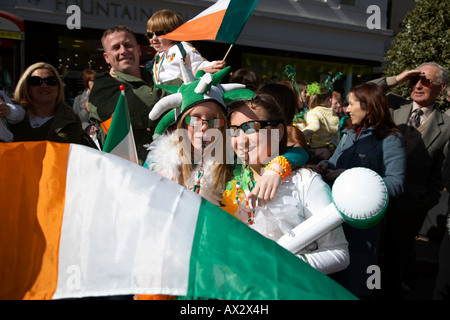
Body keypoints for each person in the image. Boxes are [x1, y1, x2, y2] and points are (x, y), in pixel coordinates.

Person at [225, 94, 350, 275]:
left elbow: (339, 254)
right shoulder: (230, 182)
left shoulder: (306, 182)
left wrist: (280, 265)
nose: (241, 139)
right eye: (234, 130)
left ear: (279, 132)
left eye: (251, 128)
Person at [314, 82, 407, 298]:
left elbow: (396, 184)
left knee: (361, 287)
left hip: (363, 234)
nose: (346, 108)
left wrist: (349, 176)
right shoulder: (347, 133)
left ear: (369, 106)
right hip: (333, 226)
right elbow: (336, 162)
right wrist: (326, 167)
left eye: (351, 104)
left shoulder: (391, 139)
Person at [370, 62, 450, 299]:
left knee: (396, 261)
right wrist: (398, 77)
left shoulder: (446, 127)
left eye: (425, 81)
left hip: (410, 206)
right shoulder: (394, 104)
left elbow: (441, 172)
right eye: (414, 79)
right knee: (368, 253)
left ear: (441, 87)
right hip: (373, 195)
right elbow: (363, 92)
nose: (417, 85)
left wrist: (425, 201)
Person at [88, 25, 182, 165]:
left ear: (138, 51)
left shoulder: (157, 77)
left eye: (128, 45)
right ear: (106, 57)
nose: (123, 51)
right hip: (129, 174)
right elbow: (143, 102)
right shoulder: (102, 88)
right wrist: (184, 86)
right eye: (116, 48)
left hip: (172, 170)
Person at [8, 62, 83, 144]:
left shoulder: (71, 120)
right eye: (36, 81)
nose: (44, 85)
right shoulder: (12, 116)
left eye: (51, 81)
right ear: (27, 88)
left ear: (58, 88)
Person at [146, 9, 226, 84]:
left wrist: (214, 65)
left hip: (180, 92)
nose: (154, 38)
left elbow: (198, 64)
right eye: (150, 35)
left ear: (174, 32)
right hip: (164, 92)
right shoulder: (157, 56)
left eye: (159, 33)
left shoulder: (181, 47)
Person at [301, 82, 340, 163]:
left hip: (315, 150)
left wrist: (299, 135)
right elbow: (336, 134)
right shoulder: (332, 113)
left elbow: (314, 127)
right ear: (328, 99)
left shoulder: (313, 112)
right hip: (329, 151)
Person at [73, 69, 100, 148]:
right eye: (92, 81)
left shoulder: (104, 98)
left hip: (101, 137)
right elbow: (76, 119)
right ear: (86, 82)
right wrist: (87, 127)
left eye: (96, 80)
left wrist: (97, 128)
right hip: (84, 140)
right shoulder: (78, 100)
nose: (95, 83)